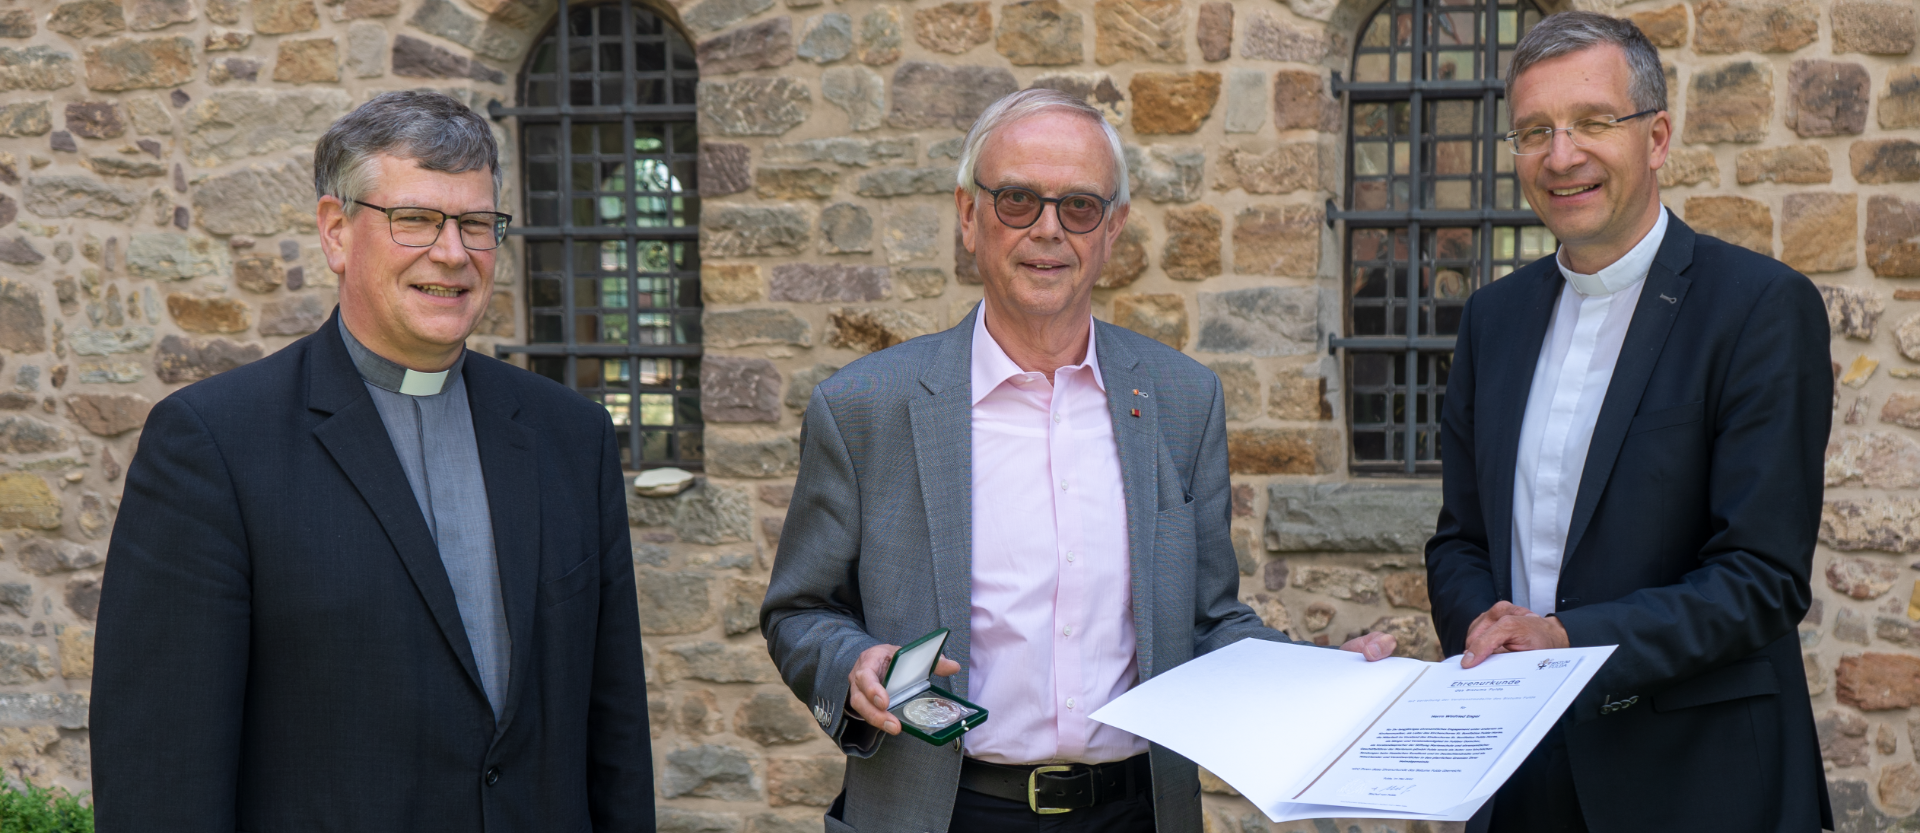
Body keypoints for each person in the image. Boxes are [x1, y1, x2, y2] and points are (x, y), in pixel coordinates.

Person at [760, 88, 1397, 833]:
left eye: (1080, 207)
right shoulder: (865, 406)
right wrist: (854, 664)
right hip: (945, 809)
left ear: (1114, 228)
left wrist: (1322, 680)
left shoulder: (1183, 400)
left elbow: (1208, 620)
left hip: (1135, 811)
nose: (1048, 231)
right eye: (1018, 201)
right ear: (969, 215)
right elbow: (800, 610)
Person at [90, 91, 654, 832]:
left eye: (476, 224)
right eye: (415, 219)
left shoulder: (569, 436)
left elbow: (614, 738)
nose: (452, 253)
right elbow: (162, 778)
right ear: (336, 232)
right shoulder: (213, 445)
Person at [1424, 12, 1831, 833]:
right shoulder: (1492, 318)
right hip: (1521, 775)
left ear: (1657, 137)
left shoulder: (1757, 307)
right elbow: (1461, 539)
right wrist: (1486, 631)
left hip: (1697, 784)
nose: (1561, 155)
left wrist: (1565, 637)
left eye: (1591, 123)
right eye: (1535, 130)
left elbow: (1760, 575)